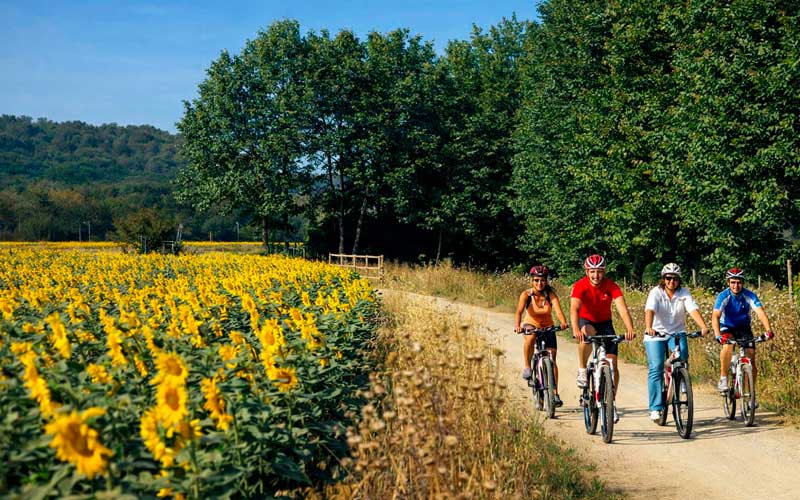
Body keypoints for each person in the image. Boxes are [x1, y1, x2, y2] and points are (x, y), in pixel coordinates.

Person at [570, 254, 635, 423]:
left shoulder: (611, 285)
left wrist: (629, 329)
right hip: (587, 321)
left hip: (605, 323)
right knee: (586, 334)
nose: (596, 275)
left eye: (599, 271)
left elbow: (622, 309)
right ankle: (583, 369)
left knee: (612, 364)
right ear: (587, 271)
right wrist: (576, 328)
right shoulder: (580, 286)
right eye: (592, 271)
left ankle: (611, 402)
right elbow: (574, 309)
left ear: (604, 271)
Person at [644, 263, 709, 422]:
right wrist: (648, 327)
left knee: (683, 355)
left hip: (676, 333)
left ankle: (680, 379)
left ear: (679, 280)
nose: (671, 281)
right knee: (656, 367)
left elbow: (692, 309)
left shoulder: (684, 293)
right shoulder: (656, 292)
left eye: (675, 279)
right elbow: (650, 310)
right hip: (656, 334)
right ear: (663, 279)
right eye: (668, 278)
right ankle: (655, 408)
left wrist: (703, 326)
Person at [712, 267, 775, 400]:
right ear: (728, 282)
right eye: (733, 282)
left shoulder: (749, 295)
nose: (736, 285)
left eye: (739, 282)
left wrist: (768, 330)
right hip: (726, 327)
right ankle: (723, 378)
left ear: (743, 283)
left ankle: (750, 393)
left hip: (743, 328)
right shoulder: (723, 296)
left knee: (751, 357)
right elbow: (715, 316)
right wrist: (718, 335)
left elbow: (760, 312)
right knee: (728, 346)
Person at [515, 265, 569, 407]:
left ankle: (555, 394)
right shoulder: (526, 295)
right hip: (530, 324)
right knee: (531, 337)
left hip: (547, 326)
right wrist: (517, 325)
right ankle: (528, 367)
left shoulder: (550, 294)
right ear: (532, 281)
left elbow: (558, 310)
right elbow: (519, 312)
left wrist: (563, 322)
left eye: (543, 280)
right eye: (537, 280)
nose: (540, 283)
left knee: (552, 358)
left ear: (546, 281)